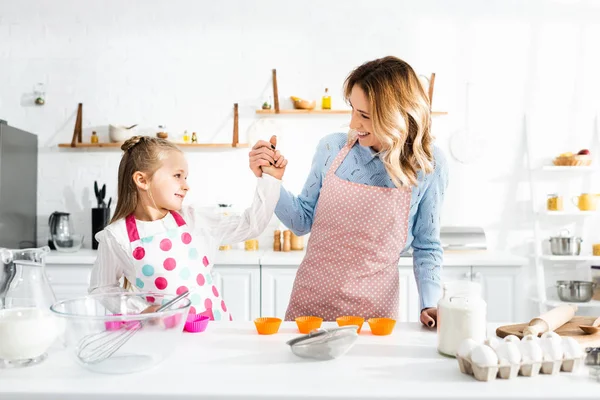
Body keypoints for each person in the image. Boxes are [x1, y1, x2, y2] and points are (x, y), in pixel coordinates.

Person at [251, 56, 449, 328]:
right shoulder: (332, 148)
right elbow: (301, 221)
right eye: (353, 110)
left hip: (374, 317)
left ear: (397, 116)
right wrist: (271, 181)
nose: (353, 124)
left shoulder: (428, 165)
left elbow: (427, 246)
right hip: (310, 307)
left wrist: (431, 302)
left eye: (365, 115)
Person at [89, 135, 287, 320]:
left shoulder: (194, 220)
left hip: (214, 330)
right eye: (177, 176)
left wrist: (271, 179)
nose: (186, 185)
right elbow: (102, 288)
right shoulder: (117, 236)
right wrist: (141, 310)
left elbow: (251, 225)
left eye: (186, 177)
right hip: (167, 338)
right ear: (142, 180)